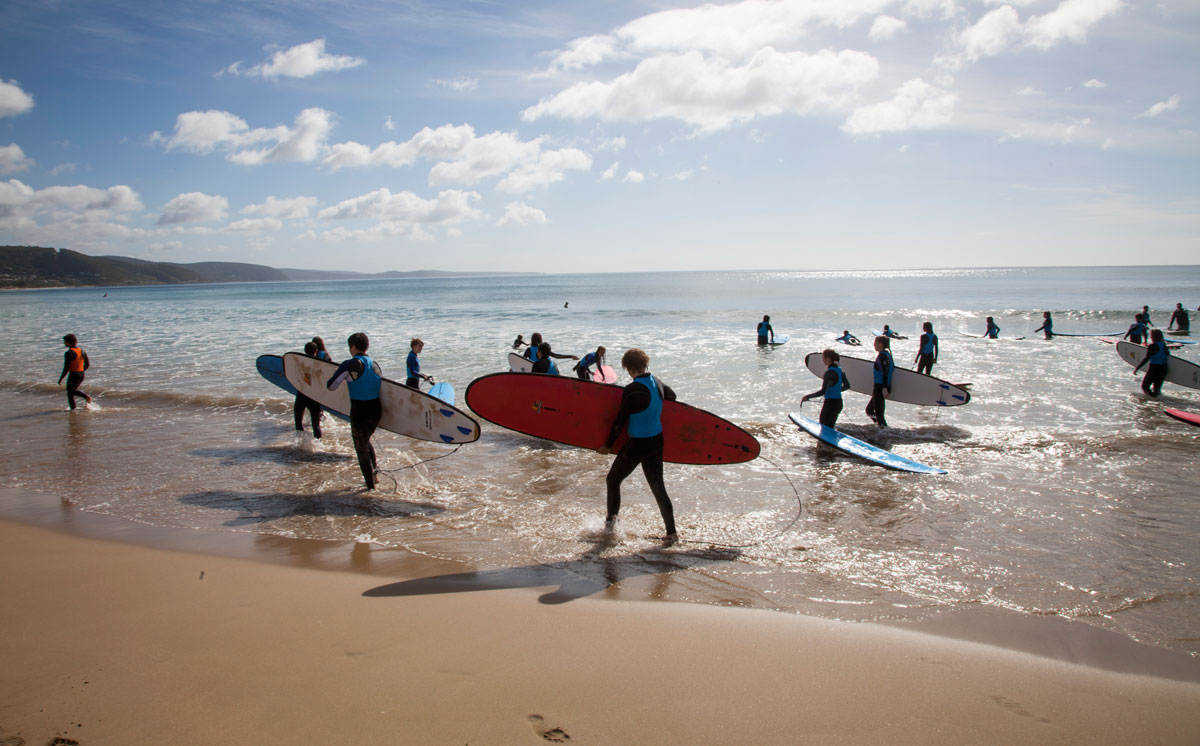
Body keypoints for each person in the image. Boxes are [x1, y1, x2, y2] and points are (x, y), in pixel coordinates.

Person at [598, 348, 678, 543]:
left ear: (629, 368)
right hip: (656, 441)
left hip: (637, 444)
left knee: (613, 480)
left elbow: (620, 420)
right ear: (645, 364)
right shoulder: (657, 382)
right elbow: (673, 397)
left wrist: (607, 445)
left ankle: (610, 527)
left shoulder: (632, 389)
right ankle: (672, 533)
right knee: (658, 488)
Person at [327, 332, 383, 490]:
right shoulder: (375, 364)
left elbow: (331, 386)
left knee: (361, 448)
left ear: (352, 347)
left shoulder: (349, 364)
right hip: (376, 410)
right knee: (366, 441)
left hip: (360, 411)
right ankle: (375, 476)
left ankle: (370, 488)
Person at [800, 349, 850, 428]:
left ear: (828, 358)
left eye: (823, 358)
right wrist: (835, 390)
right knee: (830, 428)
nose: (823, 360)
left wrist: (807, 397)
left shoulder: (829, 373)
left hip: (830, 404)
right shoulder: (840, 370)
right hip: (838, 403)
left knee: (824, 428)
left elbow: (822, 391)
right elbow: (847, 386)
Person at [294, 342, 323, 439]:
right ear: (316, 351)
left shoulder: (299, 362)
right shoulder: (319, 365)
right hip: (314, 396)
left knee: (298, 423)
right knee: (316, 425)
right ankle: (318, 446)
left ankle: (300, 444)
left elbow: (295, 377)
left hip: (301, 394)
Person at [57, 334, 92, 410]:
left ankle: (74, 408)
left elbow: (66, 368)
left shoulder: (69, 353)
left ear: (69, 342)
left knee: (70, 392)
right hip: (81, 374)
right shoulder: (82, 351)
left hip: (73, 374)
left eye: (65, 342)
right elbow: (87, 364)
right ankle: (81, 401)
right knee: (72, 391)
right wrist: (81, 371)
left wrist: (61, 379)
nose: (64, 343)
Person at [865, 336, 893, 428]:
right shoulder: (888, 355)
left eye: (875, 343)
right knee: (869, 410)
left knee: (879, 415)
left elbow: (885, 372)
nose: (874, 345)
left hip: (880, 387)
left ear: (880, 344)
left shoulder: (882, 356)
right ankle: (880, 427)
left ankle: (884, 431)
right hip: (882, 386)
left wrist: (884, 388)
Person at [1134, 329, 1170, 397]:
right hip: (1164, 369)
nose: (1150, 337)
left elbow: (1147, 358)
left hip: (1154, 369)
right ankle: (1159, 402)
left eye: (1151, 335)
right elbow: (1168, 356)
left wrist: (1137, 368)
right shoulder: (1164, 346)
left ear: (1153, 336)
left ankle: (1153, 400)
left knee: (1145, 387)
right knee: (1157, 389)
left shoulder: (1153, 346)